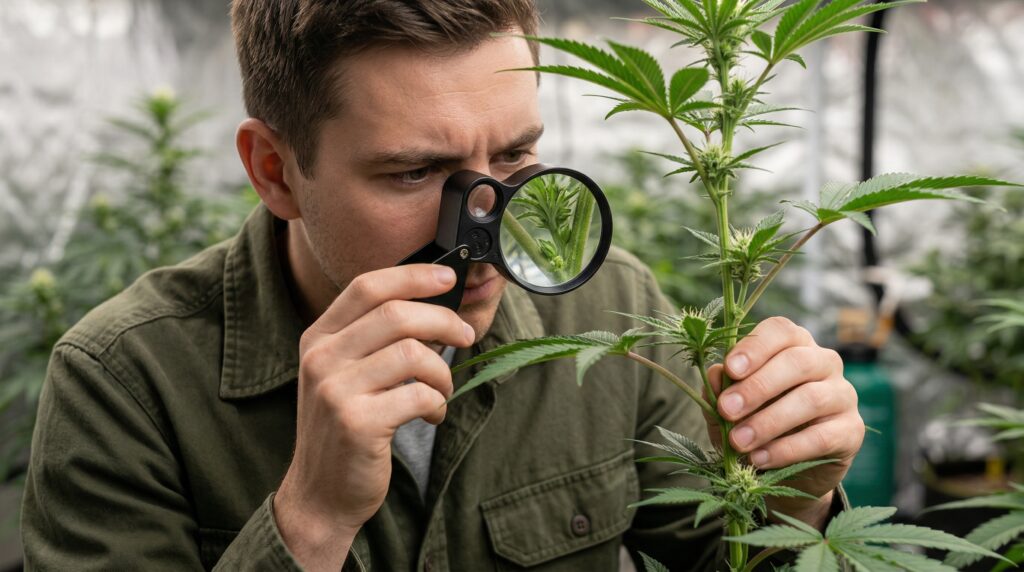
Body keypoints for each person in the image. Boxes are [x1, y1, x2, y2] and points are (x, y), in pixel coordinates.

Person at [21, 1, 865, 570]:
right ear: (274, 170)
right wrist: (307, 522)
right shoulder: (125, 380)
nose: (486, 227)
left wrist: (802, 502)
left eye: (515, 158)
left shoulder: (614, 312)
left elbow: (728, 554)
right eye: (415, 171)